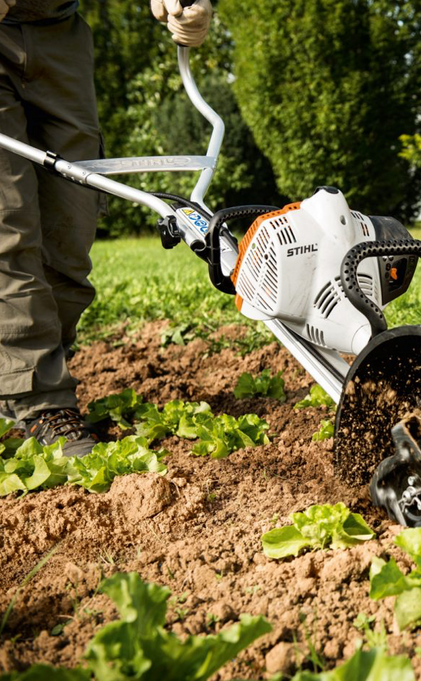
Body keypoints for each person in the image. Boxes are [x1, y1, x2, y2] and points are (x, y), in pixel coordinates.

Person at [0, 0, 212, 456]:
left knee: (70, 230)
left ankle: (23, 374)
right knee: (8, 224)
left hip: (60, 31)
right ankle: (40, 404)